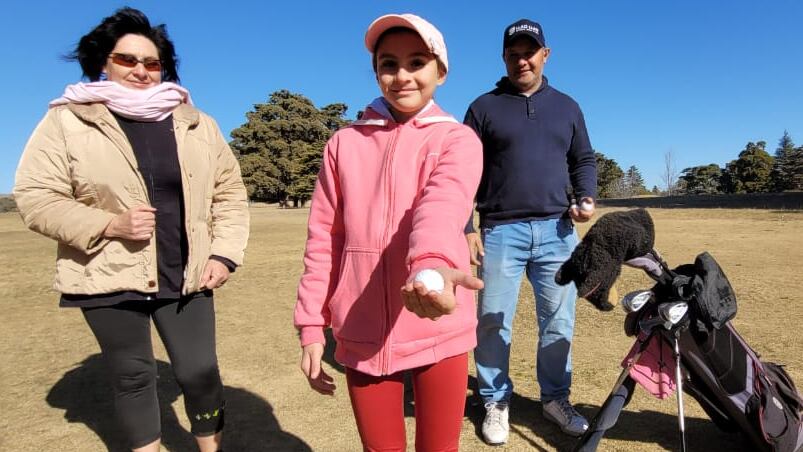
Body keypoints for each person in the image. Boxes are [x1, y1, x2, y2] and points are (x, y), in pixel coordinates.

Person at [14, 8, 249, 452]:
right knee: (133, 375)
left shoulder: (195, 122)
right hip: (106, 272)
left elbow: (230, 192)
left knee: (199, 371)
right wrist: (109, 224)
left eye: (152, 62)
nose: (141, 70)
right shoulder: (67, 120)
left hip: (188, 271)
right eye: (127, 60)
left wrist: (223, 253)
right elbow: (36, 195)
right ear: (103, 61)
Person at [294, 13, 484, 452]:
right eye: (388, 64)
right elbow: (324, 239)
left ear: (441, 71)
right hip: (361, 329)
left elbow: (441, 206)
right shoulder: (343, 144)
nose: (402, 76)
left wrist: (431, 269)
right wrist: (310, 325)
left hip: (440, 321)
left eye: (416, 62)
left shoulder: (458, 140)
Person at [464, 19, 598, 445]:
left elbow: (583, 160)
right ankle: (495, 401)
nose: (522, 59)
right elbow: (461, 173)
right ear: (504, 57)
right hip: (501, 230)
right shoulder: (483, 107)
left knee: (559, 322)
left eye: (529, 51)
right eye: (513, 53)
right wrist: (466, 225)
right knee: (492, 323)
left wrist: (587, 197)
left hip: (558, 231)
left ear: (545, 54)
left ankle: (555, 398)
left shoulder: (568, 106)